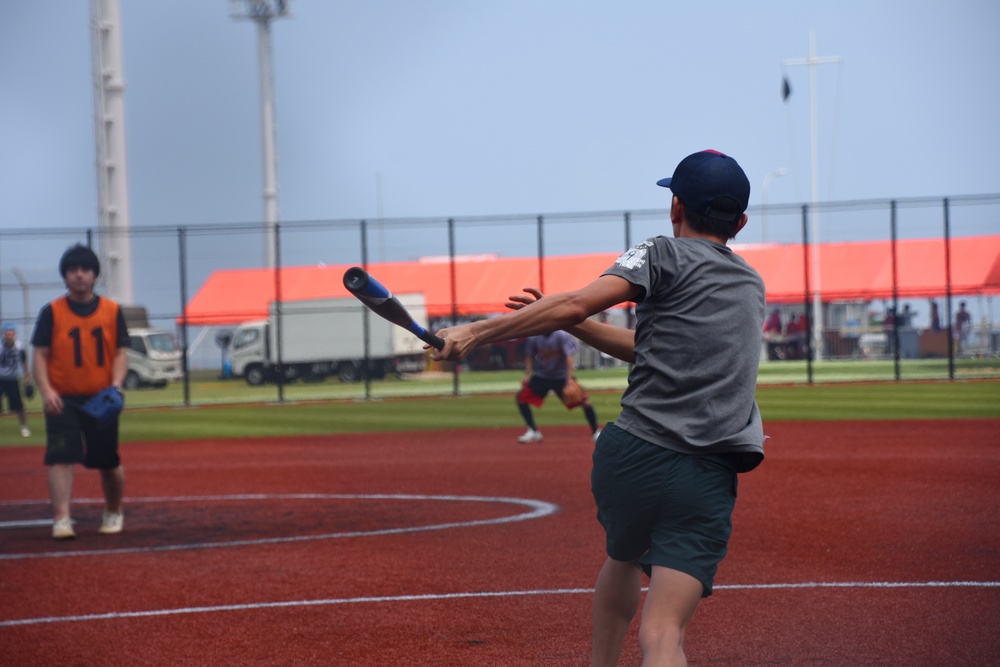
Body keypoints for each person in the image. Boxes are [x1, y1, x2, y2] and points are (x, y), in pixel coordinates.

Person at [430, 150, 765, 666]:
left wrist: (475, 331)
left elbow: (575, 302)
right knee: (664, 634)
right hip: (705, 472)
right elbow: (645, 343)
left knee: (624, 556)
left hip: (633, 458)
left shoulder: (660, 253)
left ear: (675, 207)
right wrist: (568, 322)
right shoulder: (750, 286)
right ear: (740, 222)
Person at [31, 244, 130, 540]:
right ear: (64, 275)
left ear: (95, 275)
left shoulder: (112, 311)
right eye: (73, 270)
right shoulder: (51, 312)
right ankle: (62, 518)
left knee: (107, 459)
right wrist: (47, 391)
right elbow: (39, 355)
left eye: (85, 269)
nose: (79, 275)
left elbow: (120, 354)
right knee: (61, 457)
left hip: (101, 398)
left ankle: (113, 511)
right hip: (63, 398)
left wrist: (116, 385)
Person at [515, 331, 600, 443]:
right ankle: (533, 431)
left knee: (585, 402)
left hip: (562, 377)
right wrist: (527, 374)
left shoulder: (561, 335)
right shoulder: (534, 337)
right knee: (521, 398)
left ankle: (596, 432)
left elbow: (569, 357)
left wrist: (569, 378)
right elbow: (529, 355)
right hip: (543, 376)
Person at [0, 322, 34, 437]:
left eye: (11, 332)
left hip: (12, 379)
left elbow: (24, 363)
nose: (9, 335)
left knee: (19, 407)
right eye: (7, 333)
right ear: (3, 334)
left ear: (14, 334)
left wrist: (28, 379)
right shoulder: (0, 347)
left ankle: (24, 427)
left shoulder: (19, 346)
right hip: (0, 379)